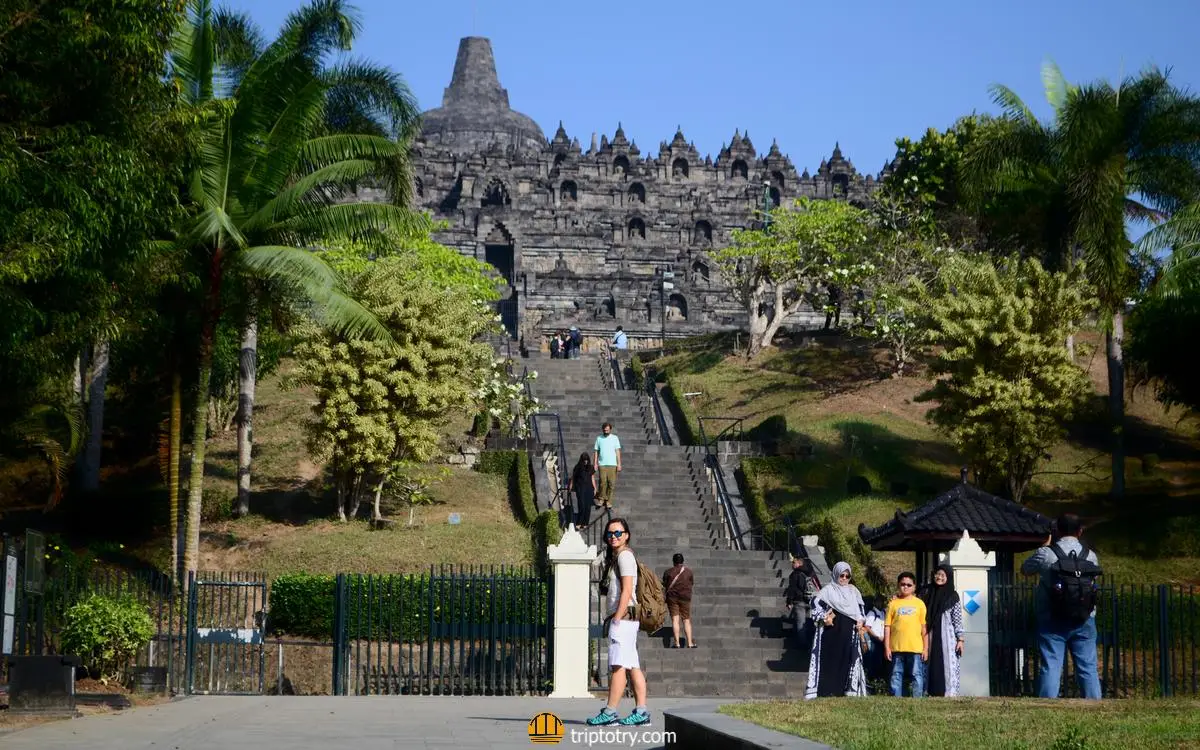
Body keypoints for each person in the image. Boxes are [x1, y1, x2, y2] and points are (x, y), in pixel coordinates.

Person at [1020, 513, 1103, 700]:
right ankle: (1094, 705)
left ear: (1056, 530)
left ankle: (1048, 706)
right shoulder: (1090, 556)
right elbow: (1093, 579)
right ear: (1080, 531)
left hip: (1052, 617)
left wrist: (1044, 546)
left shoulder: (1047, 553)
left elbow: (1025, 569)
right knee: (1088, 666)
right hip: (1084, 618)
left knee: (1051, 663)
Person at [587, 518, 651, 727]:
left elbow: (627, 589)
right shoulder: (619, 556)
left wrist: (616, 618)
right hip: (627, 620)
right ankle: (641, 711)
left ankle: (610, 712)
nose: (613, 537)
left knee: (618, 666)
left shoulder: (624, 556)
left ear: (627, 535)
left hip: (623, 620)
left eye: (617, 533)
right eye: (610, 534)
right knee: (633, 666)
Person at [804, 561, 868, 700]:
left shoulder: (853, 591)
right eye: (841, 575)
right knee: (829, 662)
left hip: (849, 633)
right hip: (830, 634)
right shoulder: (828, 590)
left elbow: (861, 611)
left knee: (845, 661)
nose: (844, 579)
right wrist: (824, 617)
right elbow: (814, 605)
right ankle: (825, 692)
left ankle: (842, 692)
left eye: (847, 576)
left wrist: (860, 620)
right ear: (835, 575)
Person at [921, 563, 964, 697]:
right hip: (930, 635)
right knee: (930, 662)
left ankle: (949, 693)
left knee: (947, 664)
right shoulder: (927, 592)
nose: (939, 577)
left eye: (943, 575)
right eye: (937, 574)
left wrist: (960, 639)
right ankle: (929, 691)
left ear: (948, 577)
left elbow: (957, 618)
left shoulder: (952, 596)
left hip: (948, 637)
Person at [885, 571, 928, 698]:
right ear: (898, 585)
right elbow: (887, 627)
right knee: (896, 674)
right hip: (896, 647)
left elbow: (924, 627)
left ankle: (917, 699)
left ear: (914, 587)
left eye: (909, 585)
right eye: (903, 584)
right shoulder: (892, 604)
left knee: (917, 674)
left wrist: (926, 648)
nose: (905, 587)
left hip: (915, 648)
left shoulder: (919, 604)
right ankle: (896, 699)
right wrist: (887, 647)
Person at [785, 556, 820, 650]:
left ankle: (802, 645)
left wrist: (789, 601)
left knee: (800, 624)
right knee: (808, 622)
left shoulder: (795, 574)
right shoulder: (810, 573)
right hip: (810, 600)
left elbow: (792, 589)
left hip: (799, 601)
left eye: (794, 563)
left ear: (799, 563)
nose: (792, 564)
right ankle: (811, 642)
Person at [662, 553, 695, 648]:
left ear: (673, 562)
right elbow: (691, 583)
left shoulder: (668, 572)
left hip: (672, 598)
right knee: (686, 620)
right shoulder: (689, 572)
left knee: (675, 619)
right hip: (685, 597)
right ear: (683, 561)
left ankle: (677, 643)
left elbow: (664, 584)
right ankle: (689, 643)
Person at [860, 594, 888, 684]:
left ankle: (878, 679)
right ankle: (871, 680)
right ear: (875, 602)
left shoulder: (884, 612)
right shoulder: (872, 613)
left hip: (882, 640)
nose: (881, 603)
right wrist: (876, 637)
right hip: (874, 641)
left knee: (880, 661)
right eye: (879, 601)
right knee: (873, 660)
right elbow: (867, 627)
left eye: (882, 601)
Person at [593, 422, 622, 508]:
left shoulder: (615, 438)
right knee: (602, 483)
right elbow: (596, 451)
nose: (606, 431)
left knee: (611, 483)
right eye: (605, 430)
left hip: (613, 464)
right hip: (602, 464)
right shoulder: (599, 438)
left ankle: (609, 501)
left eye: (608, 430)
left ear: (610, 429)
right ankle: (601, 499)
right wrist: (595, 463)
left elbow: (617, 451)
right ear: (602, 430)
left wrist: (619, 463)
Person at [567, 452, 597, 528]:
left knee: (588, 507)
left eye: (587, 460)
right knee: (582, 505)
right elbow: (573, 477)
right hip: (580, 488)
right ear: (581, 460)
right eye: (584, 460)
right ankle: (579, 522)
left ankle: (585, 523)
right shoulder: (577, 467)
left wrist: (595, 488)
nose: (586, 461)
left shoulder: (591, 467)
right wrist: (570, 486)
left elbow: (592, 478)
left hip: (589, 488)